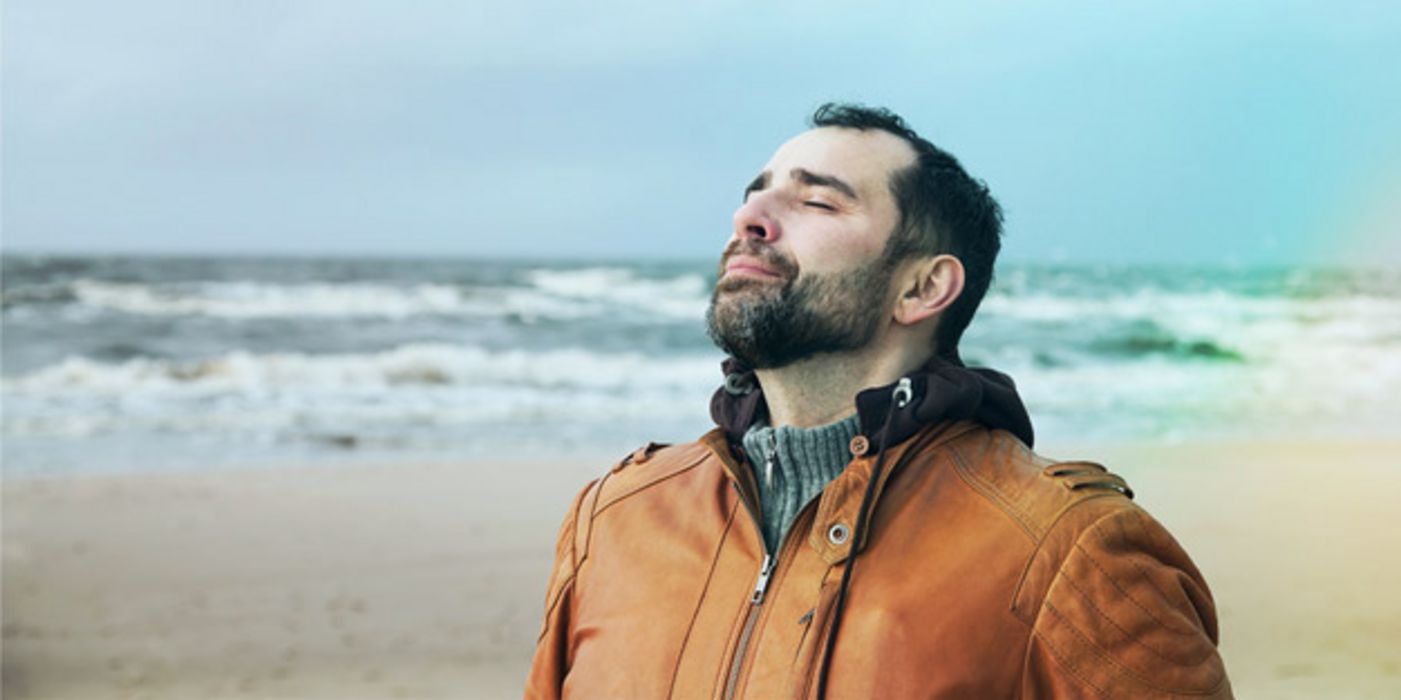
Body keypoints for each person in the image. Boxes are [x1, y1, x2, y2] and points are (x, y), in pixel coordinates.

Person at [524, 103, 1231, 699]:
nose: (750, 217)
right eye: (755, 193)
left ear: (922, 289)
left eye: (816, 201)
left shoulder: (1069, 549)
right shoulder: (613, 519)